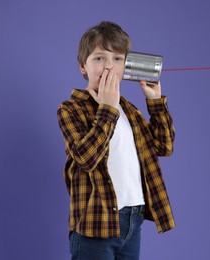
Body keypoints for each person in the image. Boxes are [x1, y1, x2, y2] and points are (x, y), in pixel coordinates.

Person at [56, 21, 175, 260]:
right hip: (96, 223)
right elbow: (85, 158)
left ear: (126, 67)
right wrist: (108, 108)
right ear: (83, 66)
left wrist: (154, 102)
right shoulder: (71, 109)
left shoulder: (129, 111)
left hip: (133, 218)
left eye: (118, 59)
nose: (109, 66)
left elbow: (164, 146)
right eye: (99, 58)